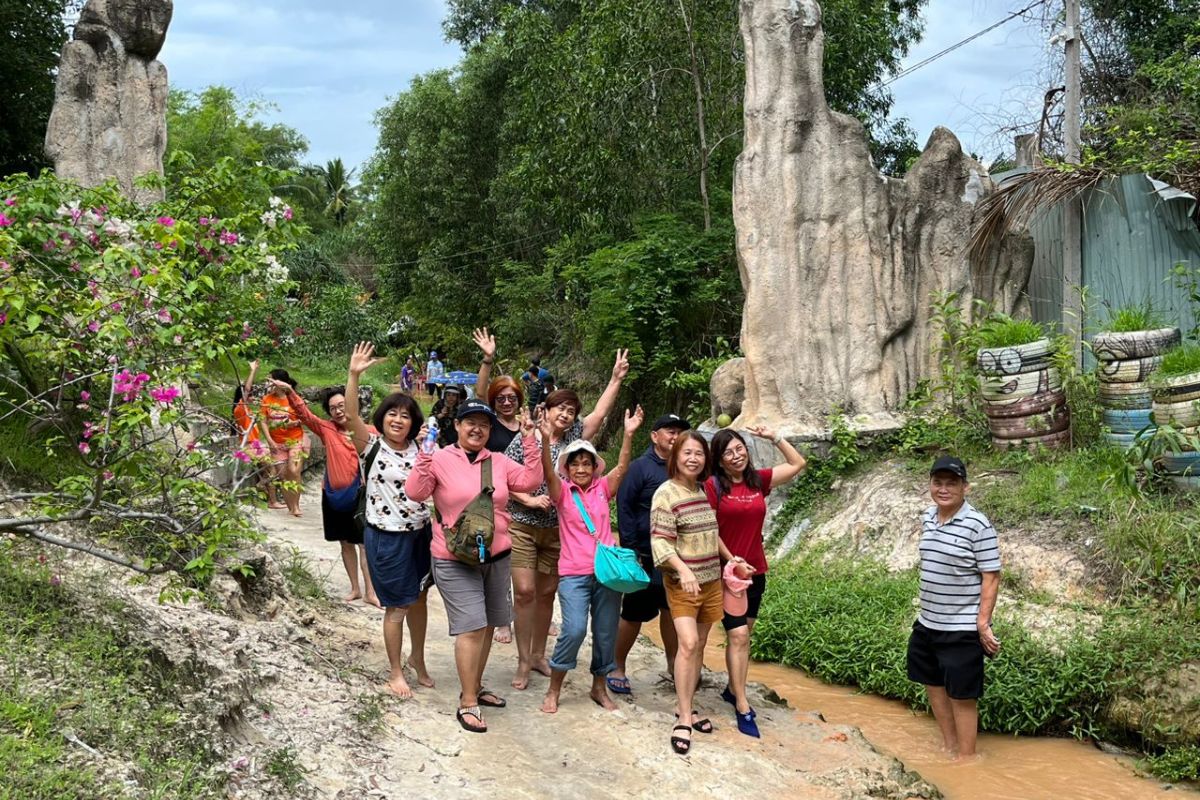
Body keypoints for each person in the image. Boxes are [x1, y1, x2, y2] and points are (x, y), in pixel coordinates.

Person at [405, 399, 543, 734]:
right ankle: (468, 701)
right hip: (453, 558)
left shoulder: (498, 461)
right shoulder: (438, 459)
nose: (477, 428)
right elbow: (415, 491)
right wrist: (424, 453)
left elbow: (529, 481)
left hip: (496, 557)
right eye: (470, 422)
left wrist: (529, 439)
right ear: (457, 425)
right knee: (471, 626)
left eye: (484, 423)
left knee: (485, 627)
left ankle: (476, 686)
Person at [503, 349, 630, 690]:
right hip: (524, 526)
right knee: (525, 592)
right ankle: (522, 661)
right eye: (561, 407)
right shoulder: (524, 438)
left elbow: (601, 413)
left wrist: (616, 378)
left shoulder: (577, 440)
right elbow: (502, 479)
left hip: (560, 533)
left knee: (546, 595)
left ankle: (539, 654)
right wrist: (528, 498)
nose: (566, 413)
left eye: (571, 410)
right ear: (546, 409)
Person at [344, 343, 436, 697]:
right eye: (392, 414)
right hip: (387, 536)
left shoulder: (421, 449)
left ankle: (418, 659)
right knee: (397, 606)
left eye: (406, 415)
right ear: (382, 417)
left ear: (414, 423)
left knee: (421, 598)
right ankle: (395, 671)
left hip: (420, 534)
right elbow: (351, 416)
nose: (398, 420)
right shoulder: (372, 445)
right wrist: (354, 375)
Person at [539, 405, 644, 714]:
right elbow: (547, 472)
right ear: (568, 469)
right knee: (573, 630)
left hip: (608, 574)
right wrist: (545, 441)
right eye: (576, 464)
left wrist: (628, 434)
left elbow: (623, 468)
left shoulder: (602, 489)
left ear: (594, 467)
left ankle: (599, 688)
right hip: (574, 573)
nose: (582, 469)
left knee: (606, 632)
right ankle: (554, 688)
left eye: (587, 463)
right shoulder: (562, 492)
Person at [706, 426, 807, 737]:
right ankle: (742, 704)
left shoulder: (757, 480)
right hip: (728, 573)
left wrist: (773, 437)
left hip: (757, 571)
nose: (736, 456)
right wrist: (732, 560)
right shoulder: (713, 486)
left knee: (744, 636)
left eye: (740, 449)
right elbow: (709, 529)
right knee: (737, 637)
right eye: (729, 453)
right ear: (719, 460)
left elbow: (797, 464)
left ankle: (731, 688)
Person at [907, 455, 1001, 760]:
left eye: (952, 483)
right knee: (933, 686)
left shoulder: (977, 524)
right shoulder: (927, 517)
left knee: (962, 697)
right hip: (927, 623)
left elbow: (991, 576)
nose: (943, 489)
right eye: (938, 482)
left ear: (966, 487)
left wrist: (982, 623)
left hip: (960, 628)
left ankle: (967, 757)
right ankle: (948, 746)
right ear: (930, 485)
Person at [274, 380, 380, 607]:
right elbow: (304, 414)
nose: (339, 410)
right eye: (333, 408)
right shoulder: (326, 428)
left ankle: (371, 591)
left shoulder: (368, 431)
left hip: (360, 496)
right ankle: (355, 588)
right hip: (332, 494)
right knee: (344, 543)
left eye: (342, 405)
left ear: (352, 405)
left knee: (364, 544)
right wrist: (290, 391)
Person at [607, 413, 691, 695]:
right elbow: (625, 508)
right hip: (645, 554)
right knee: (633, 612)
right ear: (655, 436)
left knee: (673, 610)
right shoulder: (640, 468)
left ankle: (672, 663)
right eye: (669, 430)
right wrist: (632, 552)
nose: (675, 436)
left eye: (680, 431)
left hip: (678, 556)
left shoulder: (687, 469)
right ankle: (617, 665)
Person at [651, 431, 721, 755]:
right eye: (687, 453)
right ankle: (683, 716)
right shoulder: (666, 493)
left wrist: (732, 559)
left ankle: (689, 706)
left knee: (701, 645)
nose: (693, 458)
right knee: (689, 644)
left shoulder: (702, 489)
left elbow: (711, 532)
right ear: (675, 456)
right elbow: (661, 542)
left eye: (699, 453)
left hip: (712, 581)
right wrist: (684, 570)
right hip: (683, 583)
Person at [471, 327, 525, 644]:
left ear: (519, 400)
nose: (506, 402)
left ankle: (529, 613)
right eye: (501, 398)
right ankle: (503, 621)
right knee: (501, 560)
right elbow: (479, 394)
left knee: (526, 566)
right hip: (497, 497)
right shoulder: (489, 423)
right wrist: (488, 360)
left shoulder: (527, 425)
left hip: (528, 498)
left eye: (512, 398)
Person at [259, 368, 310, 517]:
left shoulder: (293, 398)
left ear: (280, 382)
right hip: (276, 443)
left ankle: (296, 506)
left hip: (295, 439)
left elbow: (306, 417)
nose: (268, 383)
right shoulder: (266, 400)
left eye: (271, 380)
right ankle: (291, 507)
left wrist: (294, 423)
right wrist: (269, 440)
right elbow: (263, 421)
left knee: (294, 471)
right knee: (283, 476)